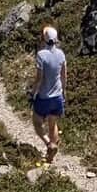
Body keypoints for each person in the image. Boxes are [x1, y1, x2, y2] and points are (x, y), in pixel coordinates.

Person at [31, 25, 66, 163]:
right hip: (57, 95)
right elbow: (64, 76)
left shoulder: (41, 55)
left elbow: (39, 79)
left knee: (37, 122)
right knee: (53, 123)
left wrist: (32, 93)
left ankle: (48, 144)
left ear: (44, 39)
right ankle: (52, 153)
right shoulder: (61, 54)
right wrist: (64, 93)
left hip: (44, 96)